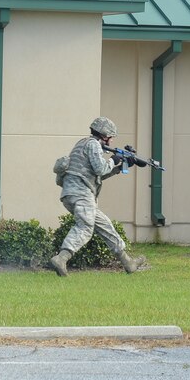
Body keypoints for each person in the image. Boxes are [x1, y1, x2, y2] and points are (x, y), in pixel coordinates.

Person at [48, 117, 142, 276]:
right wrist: (114, 160)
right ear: (104, 135)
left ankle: (128, 263)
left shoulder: (83, 144)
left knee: (105, 226)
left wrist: (118, 168)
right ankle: (61, 258)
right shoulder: (93, 145)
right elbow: (100, 169)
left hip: (71, 193)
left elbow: (94, 175)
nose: (111, 142)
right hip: (81, 194)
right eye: (111, 137)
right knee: (84, 227)